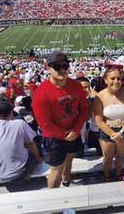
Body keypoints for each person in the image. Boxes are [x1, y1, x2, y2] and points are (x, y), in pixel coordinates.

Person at [32, 51, 88, 188]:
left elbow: (85, 109)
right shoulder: (41, 92)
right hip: (54, 138)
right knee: (56, 169)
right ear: (48, 68)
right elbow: (45, 124)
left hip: (73, 132)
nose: (62, 69)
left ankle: (66, 183)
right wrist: (65, 134)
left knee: (69, 160)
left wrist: (75, 130)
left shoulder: (76, 85)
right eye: (57, 67)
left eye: (65, 65)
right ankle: (54, 197)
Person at [0, 98, 42, 183]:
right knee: (34, 147)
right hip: (18, 174)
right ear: (11, 113)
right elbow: (31, 144)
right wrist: (38, 160)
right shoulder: (19, 123)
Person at [94, 66, 124, 181]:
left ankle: (118, 176)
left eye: (119, 78)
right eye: (112, 78)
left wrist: (121, 132)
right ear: (106, 80)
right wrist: (114, 134)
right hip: (107, 132)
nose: (116, 81)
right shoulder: (100, 96)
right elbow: (99, 121)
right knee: (107, 158)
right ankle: (106, 177)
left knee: (120, 156)